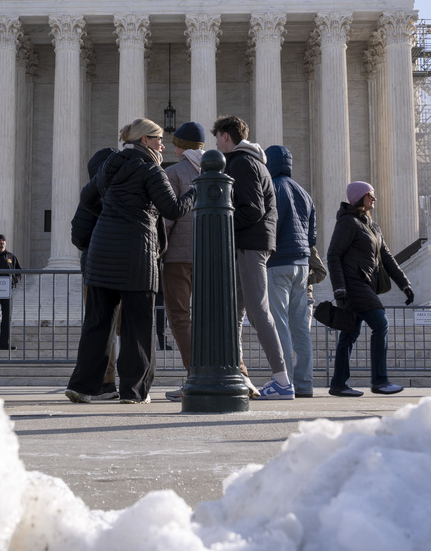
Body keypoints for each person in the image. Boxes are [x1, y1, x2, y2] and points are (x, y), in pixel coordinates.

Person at [66, 118, 194, 404]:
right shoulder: (150, 169)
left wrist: (112, 216)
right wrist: (194, 192)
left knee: (97, 323)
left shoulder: (109, 166)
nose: (163, 144)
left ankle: (83, 386)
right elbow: (172, 208)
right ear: (145, 141)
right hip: (137, 253)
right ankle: (133, 391)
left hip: (101, 252)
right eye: (159, 138)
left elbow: (87, 198)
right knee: (138, 325)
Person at [212, 115, 293, 400]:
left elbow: (253, 209)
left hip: (250, 245)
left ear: (225, 136)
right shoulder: (252, 161)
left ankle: (282, 380)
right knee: (235, 311)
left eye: (217, 137)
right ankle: (239, 372)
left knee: (259, 312)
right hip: (250, 244)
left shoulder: (242, 163)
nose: (216, 143)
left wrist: (221, 222)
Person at [327, 181, 414, 397]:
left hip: (365, 284)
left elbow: (387, 258)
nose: (374, 198)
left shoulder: (373, 227)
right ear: (359, 198)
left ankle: (338, 383)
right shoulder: (348, 223)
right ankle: (379, 380)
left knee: (350, 333)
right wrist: (339, 289)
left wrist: (405, 284)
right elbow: (333, 255)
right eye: (370, 195)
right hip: (353, 285)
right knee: (380, 322)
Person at [70, 147, 122, 401]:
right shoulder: (126, 191)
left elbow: (78, 234)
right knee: (129, 327)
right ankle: (135, 384)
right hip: (127, 268)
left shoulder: (90, 195)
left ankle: (106, 382)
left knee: (100, 328)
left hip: (95, 269)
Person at [265, 145, 317, 398]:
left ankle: (284, 383)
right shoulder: (304, 193)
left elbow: (270, 226)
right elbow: (312, 235)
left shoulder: (274, 189)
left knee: (280, 325)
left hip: (279, 263)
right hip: (302, 263)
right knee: (300, 328)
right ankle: (305, 384)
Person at [160, 122, 205, 401]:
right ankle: (239, 372)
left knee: (179, 317)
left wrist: (157, 249)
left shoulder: (174, 172)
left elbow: (168, 216)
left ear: (180, 146)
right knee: (215, 318)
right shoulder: (217, 171)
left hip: (178, 257)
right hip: (211, 258)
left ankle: (195, 376)